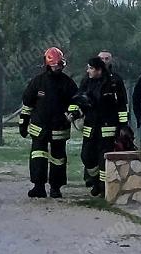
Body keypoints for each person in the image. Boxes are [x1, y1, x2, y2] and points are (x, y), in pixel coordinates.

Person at [18, 47, 83, 199]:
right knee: (38, 157)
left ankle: (55, 187)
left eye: (60, 65)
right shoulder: (37, 82)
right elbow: (27, 103)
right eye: (55, 65)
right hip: (39, 127)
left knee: (58, 159)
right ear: (48, 64)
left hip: (59, 127)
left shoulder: (68, 83)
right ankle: (38, 187)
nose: (58, 68)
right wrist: (23, 123)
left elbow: (77, 100)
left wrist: (72, 113)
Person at [79, 56, 129, 197]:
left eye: (90, 68)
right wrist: (75, 111)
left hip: (108, 127)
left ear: (98, 70)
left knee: (103, 159)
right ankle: (94, 180)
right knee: (86, 156)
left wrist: (123, 126)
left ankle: (102, 187)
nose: (88, 70)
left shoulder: (113, 82)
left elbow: (122, 105)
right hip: (90, 126)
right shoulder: (86, 81)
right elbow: (78, 98)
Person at [97, 50, 131, 132]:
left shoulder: (116, 79)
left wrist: (123, 125)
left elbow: (122, 103)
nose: (104, 61)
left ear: (111, 60)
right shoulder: (89, 78)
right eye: (101, 59)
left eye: (106, 59)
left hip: (111, 121)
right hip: (93, 122)